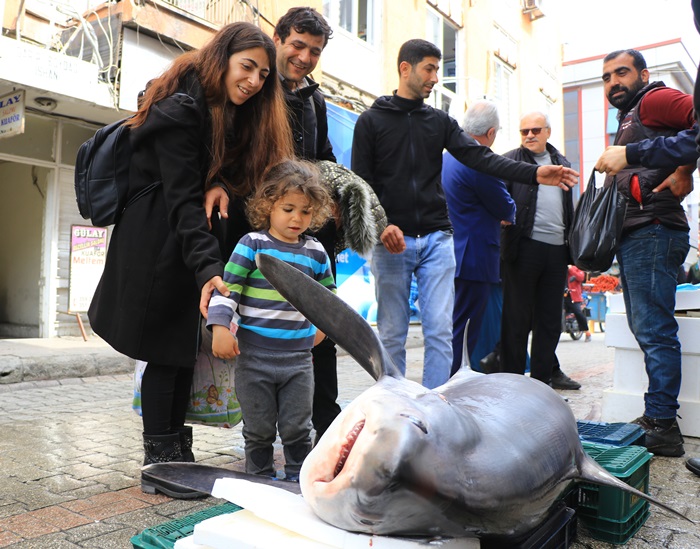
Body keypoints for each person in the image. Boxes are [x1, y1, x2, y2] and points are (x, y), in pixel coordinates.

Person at [88, 22, 294, 498]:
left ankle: (177, 450)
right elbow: (182, 199)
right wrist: (210, 271)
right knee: (164, 348)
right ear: (221, 58)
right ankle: (160, 464)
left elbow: (237, 174)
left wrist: (223, 182)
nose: (255, 81)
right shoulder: (180, 109)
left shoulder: (234, 113)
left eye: (264, 74)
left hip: (186, 240)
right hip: (157, 243)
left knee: (183, 349)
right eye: (248, 67)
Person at [351, 38, 578, 389]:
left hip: (439, 239)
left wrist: (534, 173)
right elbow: (361, 182)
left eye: (437, 70)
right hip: (391, 242)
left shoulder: (440, 121)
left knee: (441, 331)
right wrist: (381, 224)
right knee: (392, 333)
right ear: (405, 68)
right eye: (429, 69)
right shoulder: (370, 122)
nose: (435, 78)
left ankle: (438, 405)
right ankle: (393, 407)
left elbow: (480, 157)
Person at [206, 7, 343, 444]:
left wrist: (339, 198)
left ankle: (323, 433)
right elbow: (224, 144)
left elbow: (324, 157)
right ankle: (260, 438)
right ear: (279, 39)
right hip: (256, 227)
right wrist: (217, 183)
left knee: (321, 337)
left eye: (314, 51)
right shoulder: (254, 89)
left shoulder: (315, 99)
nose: (304, 57)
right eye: (297, 45)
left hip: (308, 235)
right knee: (254, 323)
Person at [207, 159, 335, 481]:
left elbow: (328, 298)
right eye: (288, 208)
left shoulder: (316, 252)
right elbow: (227, 288)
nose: (297, 218)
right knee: (259, 427)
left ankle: (298, 478)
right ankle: (259, 477)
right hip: (254, 358)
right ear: (268, 205)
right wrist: (220, 327)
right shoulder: (252, 245)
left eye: (305, 211)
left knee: (297, 427)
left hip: (299, 360)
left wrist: (323, 327)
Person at [596, 48, 694, 457]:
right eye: (606, 77)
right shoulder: (631, 115)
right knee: (646, 328)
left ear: (643, 73)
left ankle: (663, 425)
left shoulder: (654, 99)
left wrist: (685, 171)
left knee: (654, 330)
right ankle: (657, 417)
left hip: (655, 230)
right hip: (640, 233)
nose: (613, 82)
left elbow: (696, 120)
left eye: (622, 72)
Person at [500, 111, 581, 390]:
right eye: (524, 131)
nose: (530, 135)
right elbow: (499, 198)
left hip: (557, 251)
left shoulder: (562, 163)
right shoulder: (510, 161)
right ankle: (511, 385)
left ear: (548, 131)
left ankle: (542, 383)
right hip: (523, 248)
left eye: (535, 130)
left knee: (549, 321)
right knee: (516, 319)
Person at [441, 100, 516, 375]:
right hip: (475, 258)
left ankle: (445, 381)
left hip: (449, 253)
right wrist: (510, 212)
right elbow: (505, 206)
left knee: (451, 327)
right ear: (492, 133)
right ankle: (451, 386)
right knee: (465, 330)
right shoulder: (479, 159)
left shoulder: (445, 157)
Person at [565, 264, 591, 342]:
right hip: (563, 295)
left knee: (578, 312)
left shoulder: (577, 268)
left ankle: (587, 332)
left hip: (573, 296)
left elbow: (581, 277)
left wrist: (571, 269)